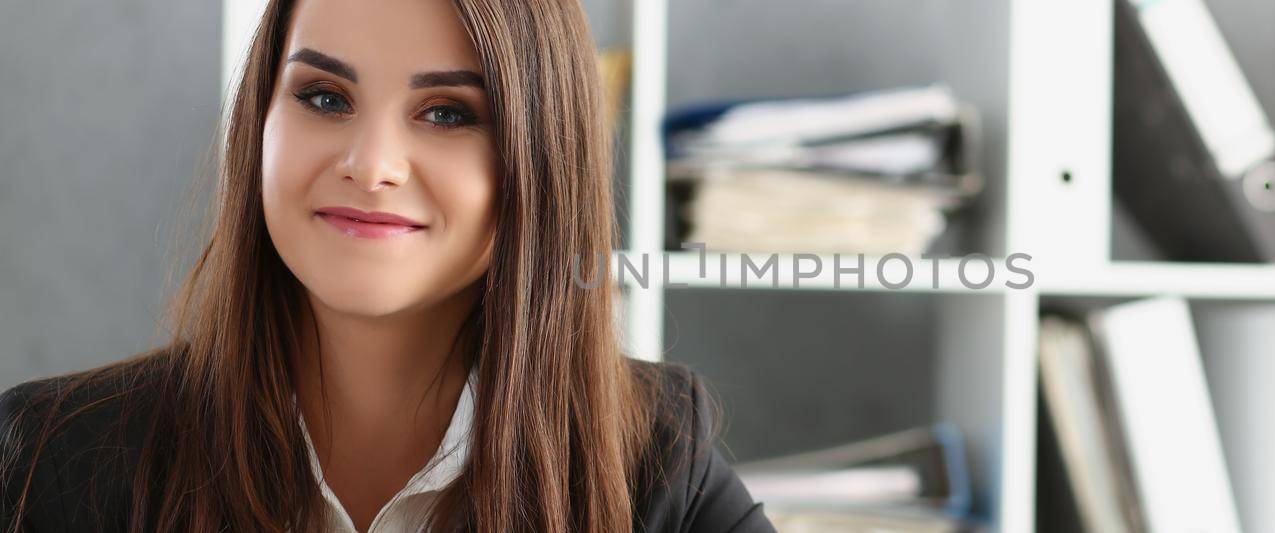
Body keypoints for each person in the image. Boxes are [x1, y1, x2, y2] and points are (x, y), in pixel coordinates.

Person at [0, 0, 775, 531]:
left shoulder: (650, 457)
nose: (371, 166)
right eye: (325, 97)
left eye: (448, 113)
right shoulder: (47, 459)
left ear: (543, 161)